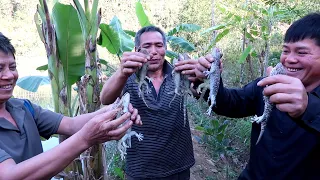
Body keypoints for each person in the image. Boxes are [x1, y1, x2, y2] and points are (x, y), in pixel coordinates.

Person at [191, 13, 320, 179]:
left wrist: (308, 108)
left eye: (301, 52)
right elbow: (230, 103)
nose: (289, 59)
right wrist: (205, 81)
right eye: (285, 50)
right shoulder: (266, 85)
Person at [0, 32, 142, 180]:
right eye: (0, 69)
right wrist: (85, 139)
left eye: (12, 67)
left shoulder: (24, 107)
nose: (9, 75)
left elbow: (71, 124)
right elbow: (9, 176)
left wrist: (117, 109)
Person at [100, 26, 198, 179]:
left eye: (159, 45)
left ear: (165, 48)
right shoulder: (127, 77)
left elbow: (201, 93)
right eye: (147, 46)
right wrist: (121, 72)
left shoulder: (179, 73)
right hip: (140, 169)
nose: (153, 51)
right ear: (136, 50)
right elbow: (105, 98)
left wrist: (201, 75)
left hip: (178, 167)